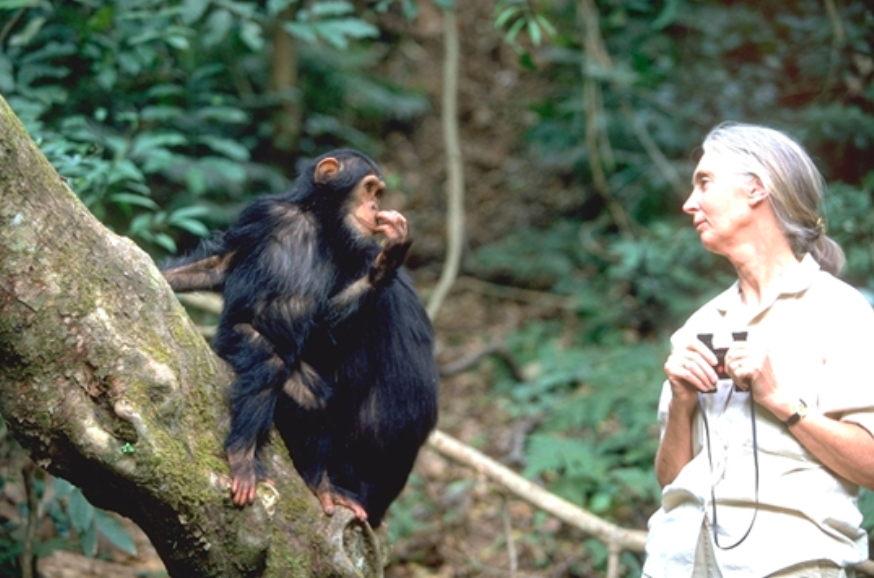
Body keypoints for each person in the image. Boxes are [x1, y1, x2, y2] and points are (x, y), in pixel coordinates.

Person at [642, 122, 874, 577]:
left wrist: (780, 401)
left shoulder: (840, 312)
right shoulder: (701, 324)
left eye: (704, 182)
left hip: (789, 562)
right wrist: (684, 401)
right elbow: (671, 479)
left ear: (756, 190)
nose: (690, 203)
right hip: (678, 560)